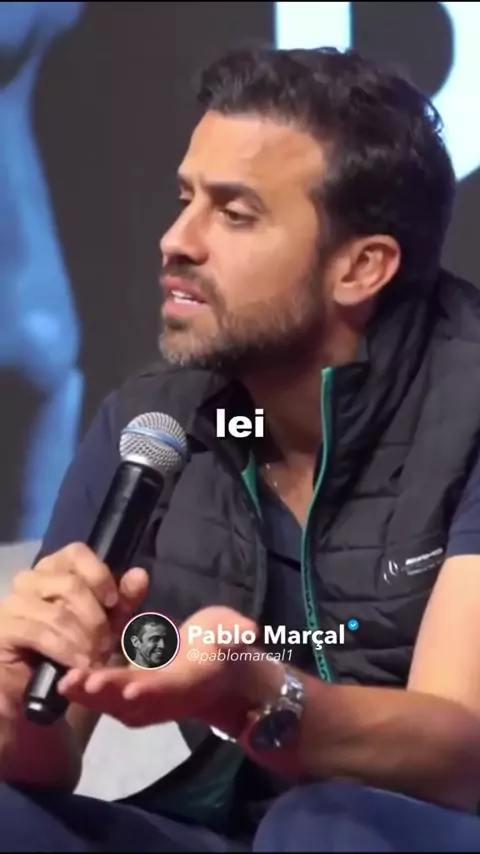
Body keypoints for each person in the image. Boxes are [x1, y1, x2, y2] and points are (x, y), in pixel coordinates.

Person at [2, 43, 480, 852]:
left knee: (322, 826)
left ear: (361, 268)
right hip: (235, 827)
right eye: (185, 198)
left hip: (409, 828)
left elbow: (461, 754)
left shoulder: (466, 407)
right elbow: (48, 761)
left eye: (234, 213)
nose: (175, 240)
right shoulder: (149, 425)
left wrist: (263, 696)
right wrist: (18, 697)